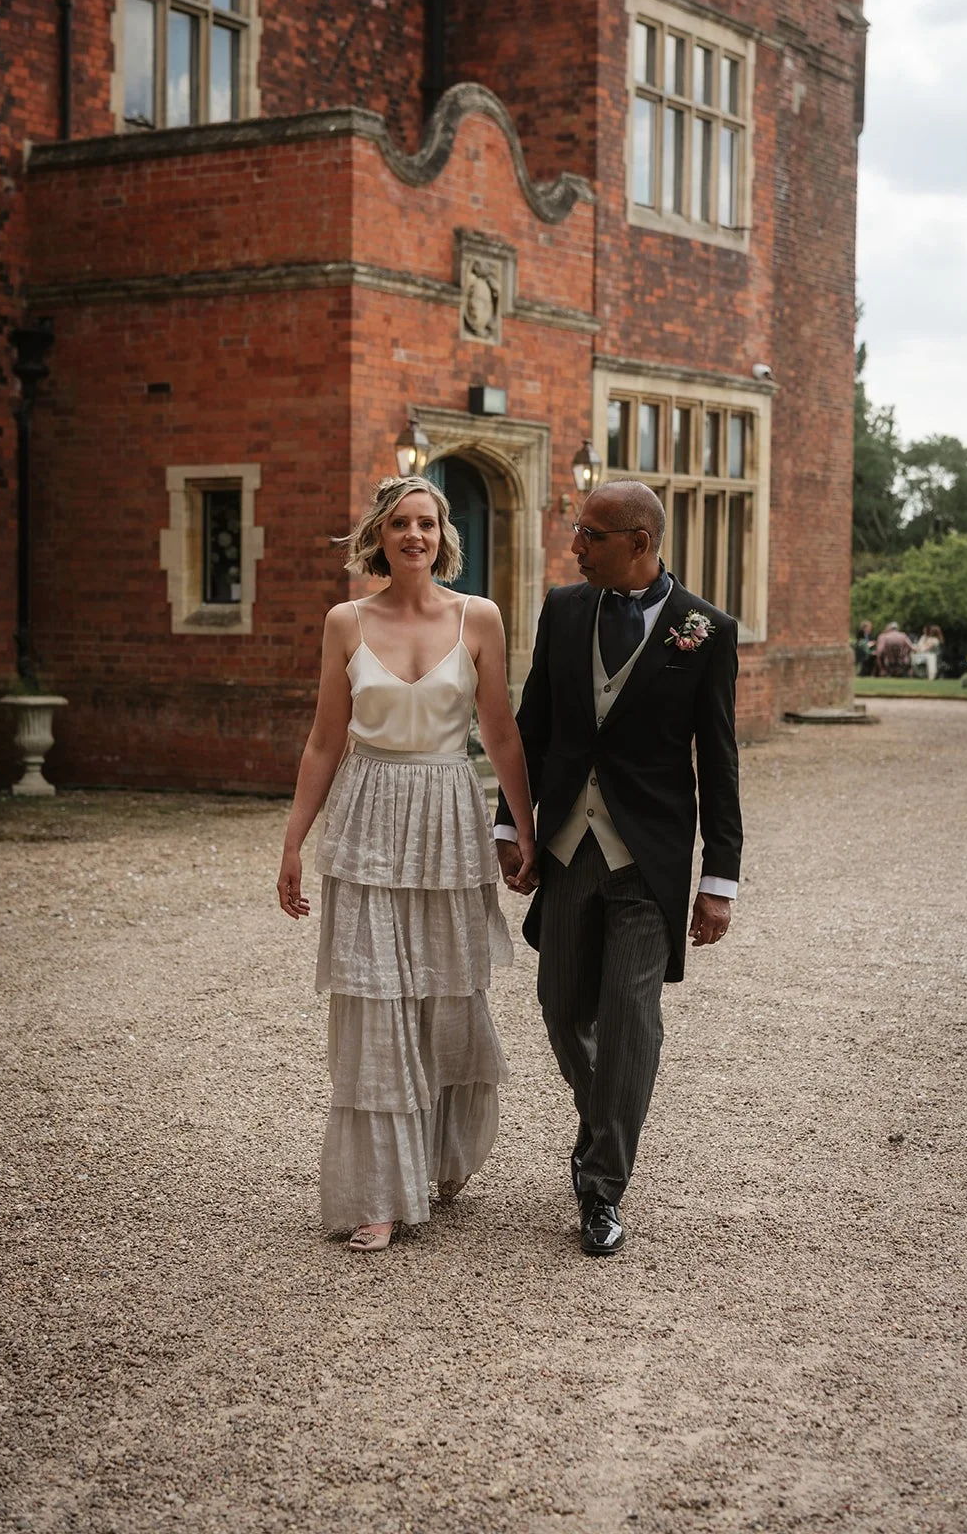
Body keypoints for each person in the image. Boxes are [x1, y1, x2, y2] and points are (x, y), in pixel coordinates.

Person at [277, 476, 535, 1251]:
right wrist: (292, 842)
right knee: (374, 999)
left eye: (426, 523)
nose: (414, 536)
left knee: (448, 992)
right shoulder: (345, 621)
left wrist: (526, 831)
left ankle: (439, 1156)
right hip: (367, 818)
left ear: (442, 534)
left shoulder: (479, 617)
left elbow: (503, 737)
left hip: (449, 814)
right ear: (379, 537)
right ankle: (378, 1193)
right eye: (399, 524)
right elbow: (325, 739)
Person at [495, 480, 742, 1257]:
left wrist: (718, 880)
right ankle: (606, 1120)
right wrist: (511, 822)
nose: (575, 547)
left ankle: (600, 1187)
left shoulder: (706, 631)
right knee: (562, 1005)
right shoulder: (565, 611)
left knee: (631, 1020)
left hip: (650, 860)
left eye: (589, 536)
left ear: (638, 542)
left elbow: (720, 760)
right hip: (570, 846)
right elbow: (532, 727)